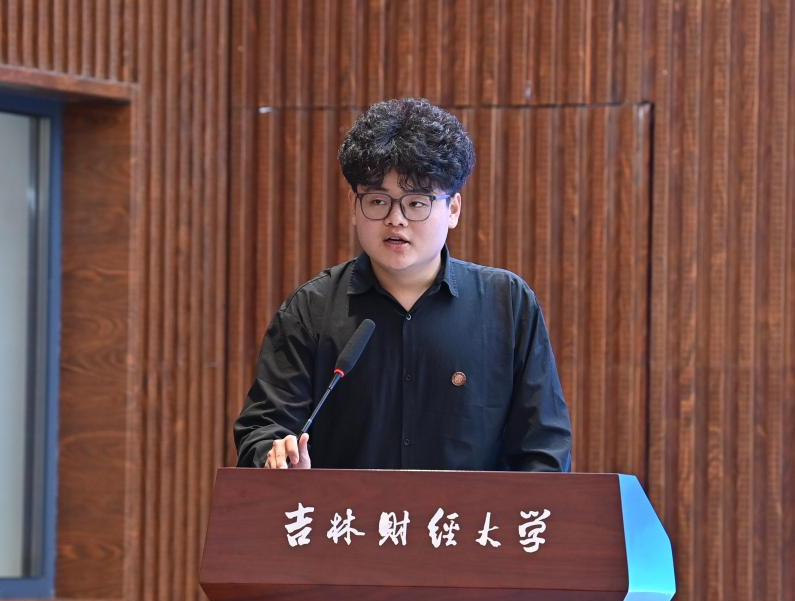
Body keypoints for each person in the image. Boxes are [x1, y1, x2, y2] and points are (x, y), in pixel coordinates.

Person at [233, 98, 572, 472]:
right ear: (354, 205)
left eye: (416, 202)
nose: (396, 219)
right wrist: (277, 458)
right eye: (378, 200)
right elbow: (264, 429)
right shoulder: (311, 309)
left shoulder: (506, 305)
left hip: (468, 514)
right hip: (345, 513)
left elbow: (544, 450)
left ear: (453, 209)